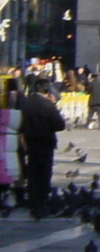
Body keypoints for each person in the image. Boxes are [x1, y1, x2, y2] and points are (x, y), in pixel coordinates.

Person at [18, 81, 67, 216]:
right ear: (47, 91)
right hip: (45, 142)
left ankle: (33, 199)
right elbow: (60, 125)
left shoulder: (26, 103)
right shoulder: (47, 105)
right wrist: (53, 105)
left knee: (32, 172)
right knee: (44, 172)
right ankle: (42, 200)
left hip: (30, 142)